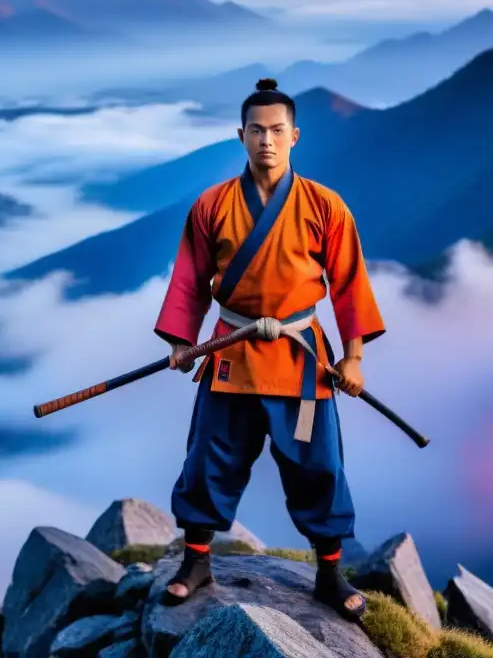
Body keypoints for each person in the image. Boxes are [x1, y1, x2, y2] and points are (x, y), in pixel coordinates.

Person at [152, 78, 385, 622]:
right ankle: (196, 562)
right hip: (230, 353)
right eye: (256, 130)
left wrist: (353, 358)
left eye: (278, 130)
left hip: (302, 360)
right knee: (210, 459)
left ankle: (329, 574)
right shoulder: (211, 206)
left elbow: (350, 283)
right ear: (241, 135)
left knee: (317, 467)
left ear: (295, 136)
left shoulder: (325, 206)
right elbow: (189, 279)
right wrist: (184, 342)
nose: (267, 141)